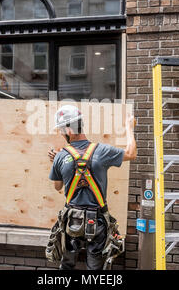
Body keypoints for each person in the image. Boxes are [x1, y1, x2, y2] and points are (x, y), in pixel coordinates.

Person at [47, 105, 136, 270]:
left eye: (61, 130)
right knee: (95, 268)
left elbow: (57, 187)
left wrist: (57, 163)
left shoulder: (60, 156)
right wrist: (129, 128)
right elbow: (131, 153)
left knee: (67, 266)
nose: (61, 133)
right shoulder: (102, 151)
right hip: (98, 221)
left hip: (71, 220)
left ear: (69, 130)